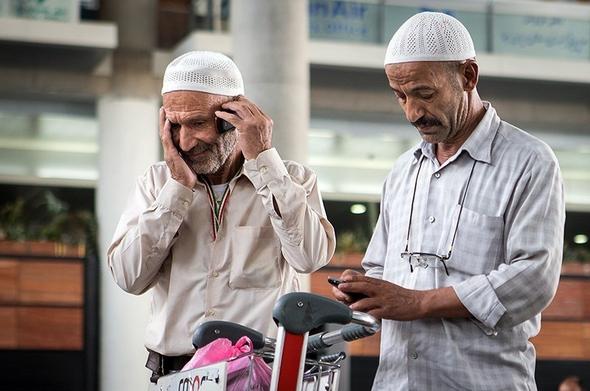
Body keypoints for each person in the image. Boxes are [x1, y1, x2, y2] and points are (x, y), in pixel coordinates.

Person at [331, 12, 565, 390]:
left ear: (468, 76)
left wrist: (420, 302)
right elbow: (379, 266)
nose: (412, 113)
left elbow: (533, 277)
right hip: (396, 382)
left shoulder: (529, 161)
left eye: (424, 94)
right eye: (400, 96)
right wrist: (362, 288)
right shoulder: (403, 172)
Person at [107, 51, 335, 383]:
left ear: (234, 116)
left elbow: (310, 257)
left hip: (257, 376)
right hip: (176, 377)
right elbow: (129, 277)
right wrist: (177, 189)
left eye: (197, 123)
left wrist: (264, 162)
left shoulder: (292, 180)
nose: (185, 141)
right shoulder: (156, 184)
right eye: (175, 125)